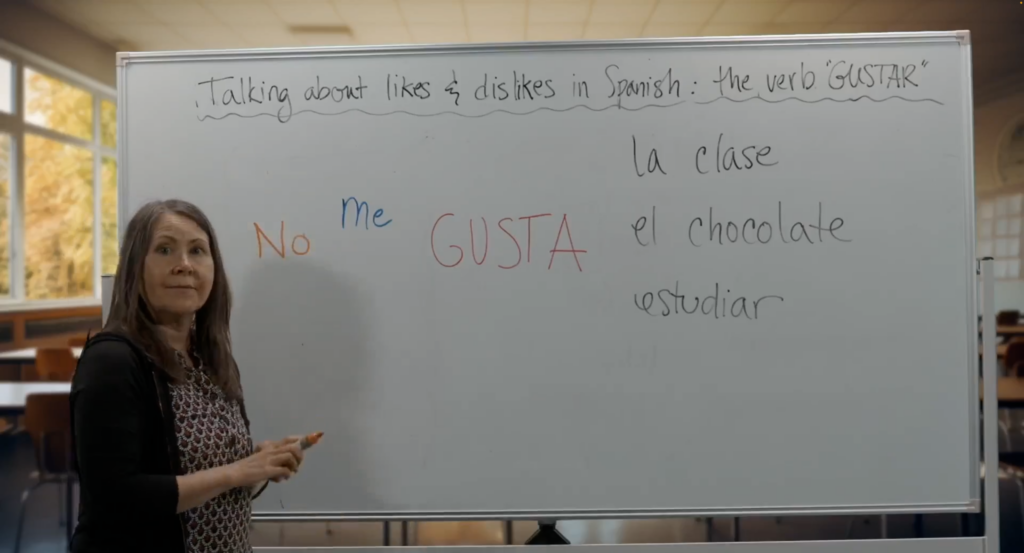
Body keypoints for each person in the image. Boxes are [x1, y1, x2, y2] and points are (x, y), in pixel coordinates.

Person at [71, 199, 304, 553]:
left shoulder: (211, 359)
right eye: (164, 249)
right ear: (136, 267)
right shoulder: (112, 360)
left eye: (197, 251)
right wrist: (238, 472)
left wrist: (258, 462)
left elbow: (195, 468)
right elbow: (114, 497)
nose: (184, 265)